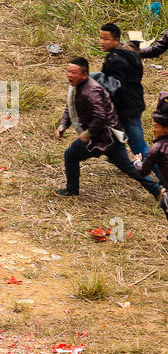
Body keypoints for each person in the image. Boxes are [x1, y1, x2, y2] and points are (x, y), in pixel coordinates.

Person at [54, 57, 164, 205]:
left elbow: (101, 116)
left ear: (84, 74)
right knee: (129, 168)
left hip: (103, 138)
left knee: (70, 155)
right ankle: (157, 191)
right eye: (68, 71)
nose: (69, 75)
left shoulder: (91, 90)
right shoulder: (76, 86)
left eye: (74, 72)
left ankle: (72, 189)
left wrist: (87, 134)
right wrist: (63, 124)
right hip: (107, 137)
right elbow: (70, 106)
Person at [98, 23, 148, 156]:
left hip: (126, 110)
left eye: (106, 39)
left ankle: (163, 174)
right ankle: (124, 164)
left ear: (116, 40)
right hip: (131, 104)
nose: (102, 42)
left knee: (139, 147)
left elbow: (115, 87)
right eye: (101, 38)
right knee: (113, 142)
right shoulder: (127, 53)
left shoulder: (117, 60)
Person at [132, 93, 168, 212]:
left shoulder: (157, 148)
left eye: (156, 127)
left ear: (165, 129)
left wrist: (137, 161)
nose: (153, 129)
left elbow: (143, 171)